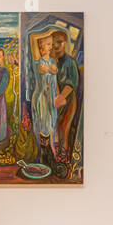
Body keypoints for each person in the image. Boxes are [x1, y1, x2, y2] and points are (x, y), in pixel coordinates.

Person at [50, 30, 79, 164]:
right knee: (54, 128)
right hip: (55, 99)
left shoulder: (70, 62)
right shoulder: (51, 61)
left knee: (63, 128)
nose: (56, 45)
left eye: (59, 42)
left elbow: (71, 83)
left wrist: (61, 96)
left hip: (67, 99)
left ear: (65, 43)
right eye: (53, 43)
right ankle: (55, 156)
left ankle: (63, 159)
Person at [29, 34, 58, 159]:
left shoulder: (52, 61)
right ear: (41, 46)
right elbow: (32, 38)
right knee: (41, 124)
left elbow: (55, 81)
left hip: (51, 96)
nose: (51, 46)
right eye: (48, 44)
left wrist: (58, 96)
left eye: (51, 43)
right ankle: (40, 153)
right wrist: (48, 31)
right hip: (41, 97)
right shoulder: (38, 60)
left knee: (52, 123)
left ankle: (51, 152)